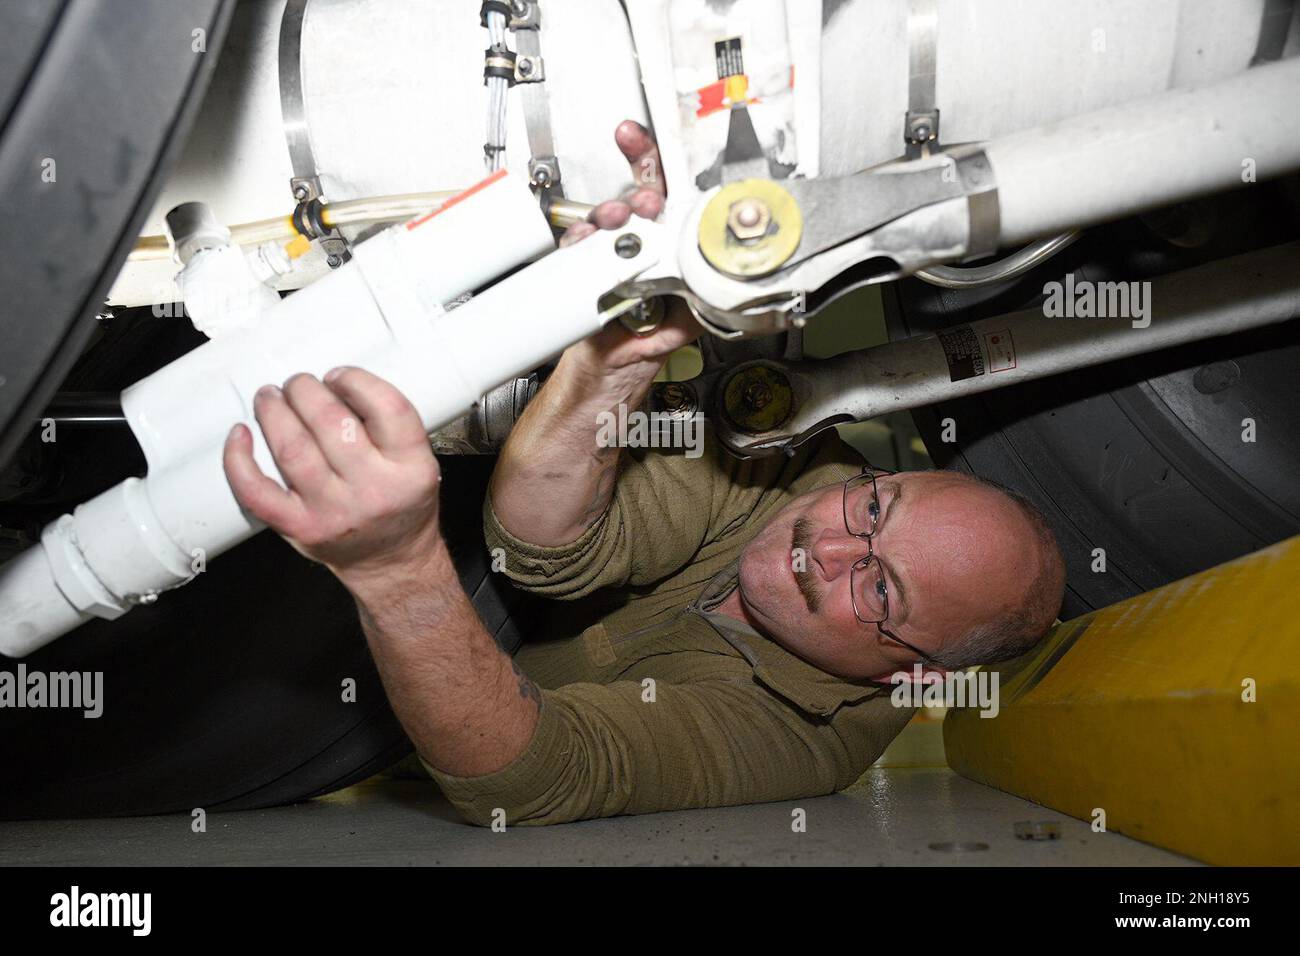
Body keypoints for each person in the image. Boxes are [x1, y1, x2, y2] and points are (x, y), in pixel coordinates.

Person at [222, 121, 1066, 826]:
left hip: (355, 703)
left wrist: (397, 576)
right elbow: (544, 546)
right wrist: (614, 360)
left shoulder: (806, 742)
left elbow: (535, 780)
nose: (835, 545)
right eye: (875, 506)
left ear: (912, 675)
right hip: (417, 521)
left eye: (880, 592)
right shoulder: (790, 466)